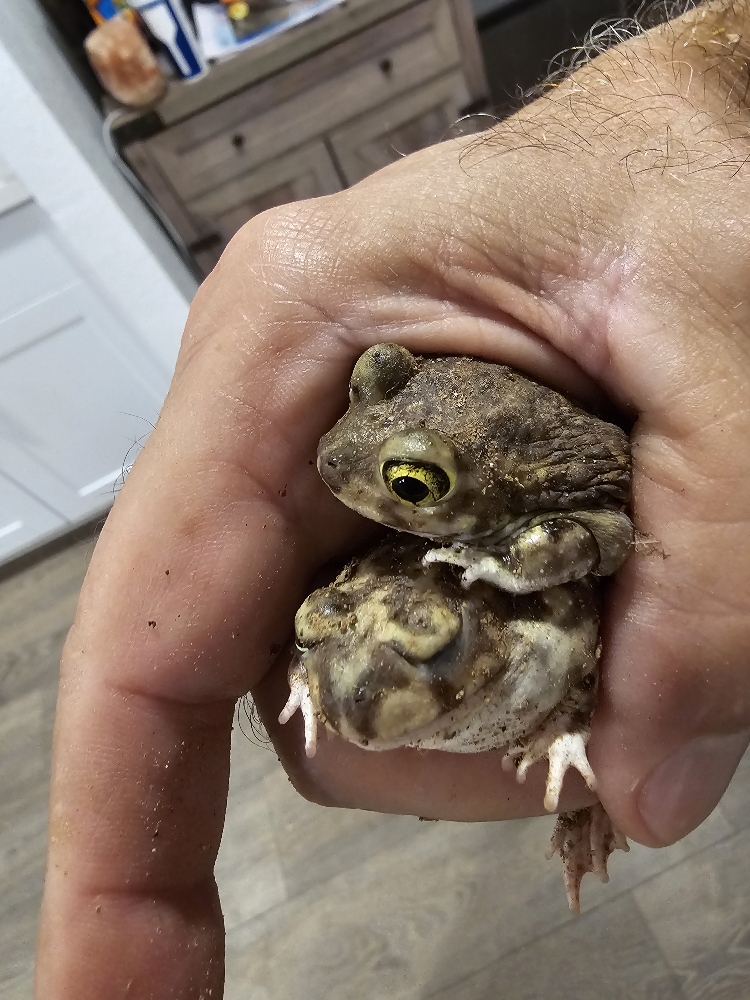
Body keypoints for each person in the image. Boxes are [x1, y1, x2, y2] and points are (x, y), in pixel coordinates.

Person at [35, 2, 750, 995]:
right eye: (373, 382)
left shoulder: (546, 506)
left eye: (409, 482)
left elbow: (604, 535)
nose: (337, 463)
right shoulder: (426, 443)